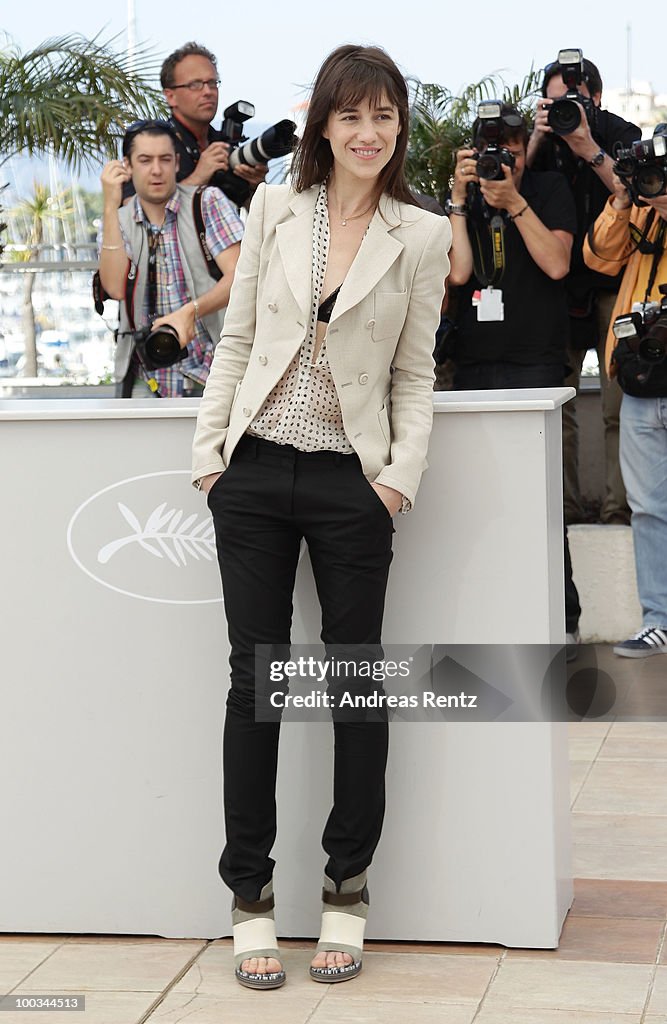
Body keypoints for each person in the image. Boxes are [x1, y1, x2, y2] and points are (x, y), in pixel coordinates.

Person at [191, 44, 451, 989]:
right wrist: (211, 455)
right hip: (254, 475)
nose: (368, 133)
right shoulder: (274, 208)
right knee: (255, 686)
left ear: (398, 126)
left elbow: (416, 375)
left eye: (383, 116)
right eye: (351, 116)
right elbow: (240, 337)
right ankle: (249, 901)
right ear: (324, 126)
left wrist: (394, 483)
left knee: (354, 684)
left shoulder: (420, 233)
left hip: (352, 484)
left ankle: (346, 891)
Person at [446, 103, 582, 652]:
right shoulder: (468, 195)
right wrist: (459, 203)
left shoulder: (547, 189)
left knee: (544, 505)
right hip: (475, 365)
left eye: (512, 148)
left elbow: (556, 263)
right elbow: (457, 273)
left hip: (536, 364)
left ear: (527, 149)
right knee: (478, 501)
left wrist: (516, 204)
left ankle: (563, 621)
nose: (502, 159)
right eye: (490, 149)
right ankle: (489, 617)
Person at [528, 52, 640, 525]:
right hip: (556, 286)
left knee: (620, 405)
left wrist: (588, 147)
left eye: (572, 100)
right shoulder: (542, 137)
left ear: (596, 96)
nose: (564, 111)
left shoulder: (621, 132)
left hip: (617, 284)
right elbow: (510, 185)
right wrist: (535, 136)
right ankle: (565, 511)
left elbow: (640, 193)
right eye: (554, 103)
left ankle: (619, 511)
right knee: (558, 407)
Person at [583, 161, 667, 657]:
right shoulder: (640, 214)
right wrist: (621, 202)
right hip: (640, 381)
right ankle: (658, 619)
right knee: (649, 511)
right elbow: (600, 260)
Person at [98, 120, 243, 397]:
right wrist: (109, 205)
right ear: (127, 166)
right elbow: (115, 288)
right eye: (145, 160)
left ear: (177, 162)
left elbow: (242, 276)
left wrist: (192, 311)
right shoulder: (118, 222)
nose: (156, 170)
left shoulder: (207, 202)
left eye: (165, 159)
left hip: (213, 373)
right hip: (145, 377)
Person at [161, 41, 268, 207]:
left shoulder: (223, 143)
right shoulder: (154, 146)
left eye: (212, 83)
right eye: (195, 85)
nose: (208, 92)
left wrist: (256, 186)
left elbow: (258, 219)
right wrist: (198, 178)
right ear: (170, 96)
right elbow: (143, 214)